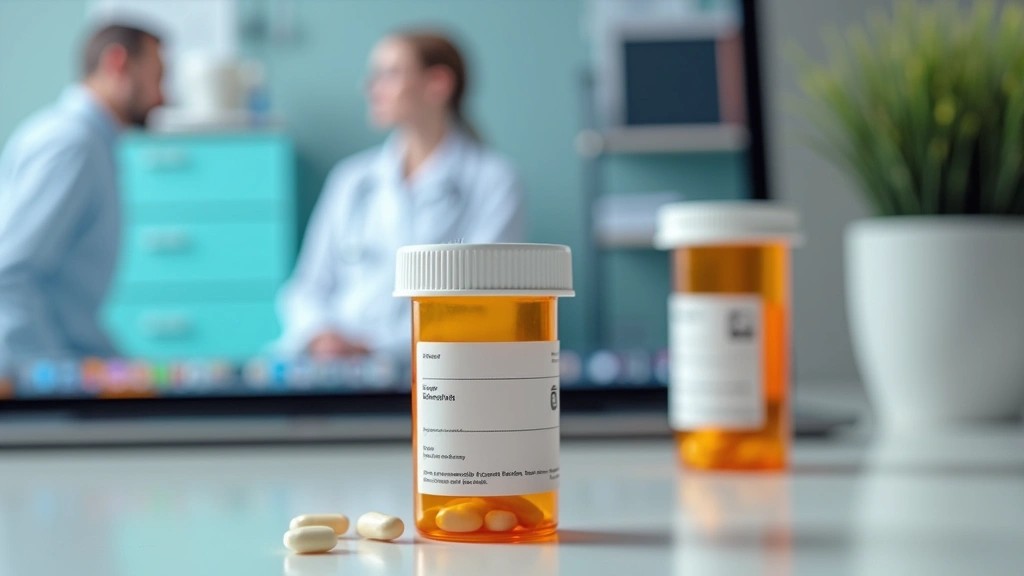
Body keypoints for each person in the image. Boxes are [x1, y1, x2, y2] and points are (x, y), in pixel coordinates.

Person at [277, 30, 524, 359]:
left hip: (437, 363)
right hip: (337, 363)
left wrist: (373, 345)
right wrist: (320, 334)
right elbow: (307, 287)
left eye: (389, 74)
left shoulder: (493, 181)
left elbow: (484, 302)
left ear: (438, 84)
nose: (370, 88)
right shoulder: (352, 180)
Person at [0, 24, 165, 371]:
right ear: (118, 63)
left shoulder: (92, 144)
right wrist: (54, 383)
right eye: (157, 77)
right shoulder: (70, 143)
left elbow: (69, 308)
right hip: (37, 375)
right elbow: (8, 275)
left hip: (70, 359)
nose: (162, 97)